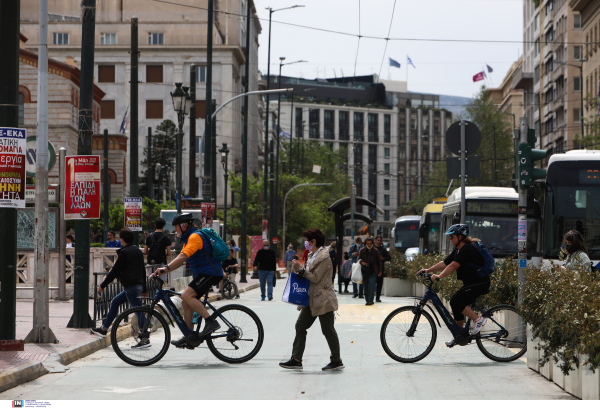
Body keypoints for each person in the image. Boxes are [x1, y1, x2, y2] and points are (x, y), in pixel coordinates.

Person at [150, 213, 224, 348]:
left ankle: (211, 321)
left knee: (186, 295)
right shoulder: (188, 239)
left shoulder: (195, 237)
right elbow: (180, 260)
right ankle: (190, 336)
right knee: (185, 301)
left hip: (210, 272)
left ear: (184, 226)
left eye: (176, 227)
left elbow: (183, 256)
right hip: (204, 273)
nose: (175, 230)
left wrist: (164, 269)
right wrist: (163, 270)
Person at [279, 228, 344, 371]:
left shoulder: (324, 257)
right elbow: (308, 275)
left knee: (328, 330)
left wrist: (301, 269)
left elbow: (315, 277)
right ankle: (296, 359)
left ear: (314, 241)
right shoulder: (313, 255)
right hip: (311, 298)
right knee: (300, 326)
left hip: (323, 299)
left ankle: (336, 360)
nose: (306, 244)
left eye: (308, 241)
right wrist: (299, 269)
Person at [419, 224, 490, 347]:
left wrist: (439, 276)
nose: (450, 239)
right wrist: (428, 270)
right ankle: (459, 334)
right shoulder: (458, 250)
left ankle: (479, 320)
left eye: (452, 237)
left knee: (457, 301)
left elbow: (453, 266)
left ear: (460, 236)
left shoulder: (466, 249)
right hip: (472, 283)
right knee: (455, 304)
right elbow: (445, 263)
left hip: (479, 283)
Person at [91, 228, 148, 348]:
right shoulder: (137, 250)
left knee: (139, 311)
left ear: (122, 239)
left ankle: (144, 338)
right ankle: (104, 328)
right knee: (115, 302)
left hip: (131, 287)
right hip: (137, 286)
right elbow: (143, 270)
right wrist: (145, 289)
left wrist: (102, 286)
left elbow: (114, 272)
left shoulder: (124, 252)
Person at [358, 237, 382, 306]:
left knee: (372, 285)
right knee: (366, 286)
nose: (369, 245)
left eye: (370, 243)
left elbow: (379, 262)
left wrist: (380, 271)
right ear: (365, 243)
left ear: (372, 243)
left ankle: (370, 300)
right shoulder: (362, 250)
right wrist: (362, 262)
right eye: (367, 243)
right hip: (365, 270)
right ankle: (367, 300)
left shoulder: (376, 251)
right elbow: (359, 260)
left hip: (373, 271)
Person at [374, 236, 391, 303]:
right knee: (371, 284)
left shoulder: (383, 249)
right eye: (377, 240)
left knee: (379, 284)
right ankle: (370, 297)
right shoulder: (372, 248)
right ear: (375, 240)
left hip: (380, 269)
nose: (379, 241)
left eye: (380, 240)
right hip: (372, 269)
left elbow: (389, 257)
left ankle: (377, 297)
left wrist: (383, 258)